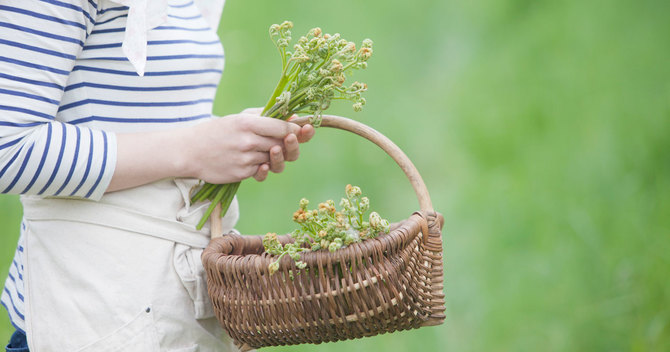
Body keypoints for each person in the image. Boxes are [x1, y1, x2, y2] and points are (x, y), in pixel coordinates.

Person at [0, 0, 314, 351]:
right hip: (98, 308)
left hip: (166, 305)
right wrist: (194, 149)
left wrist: (234, 140)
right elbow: (7, 149)